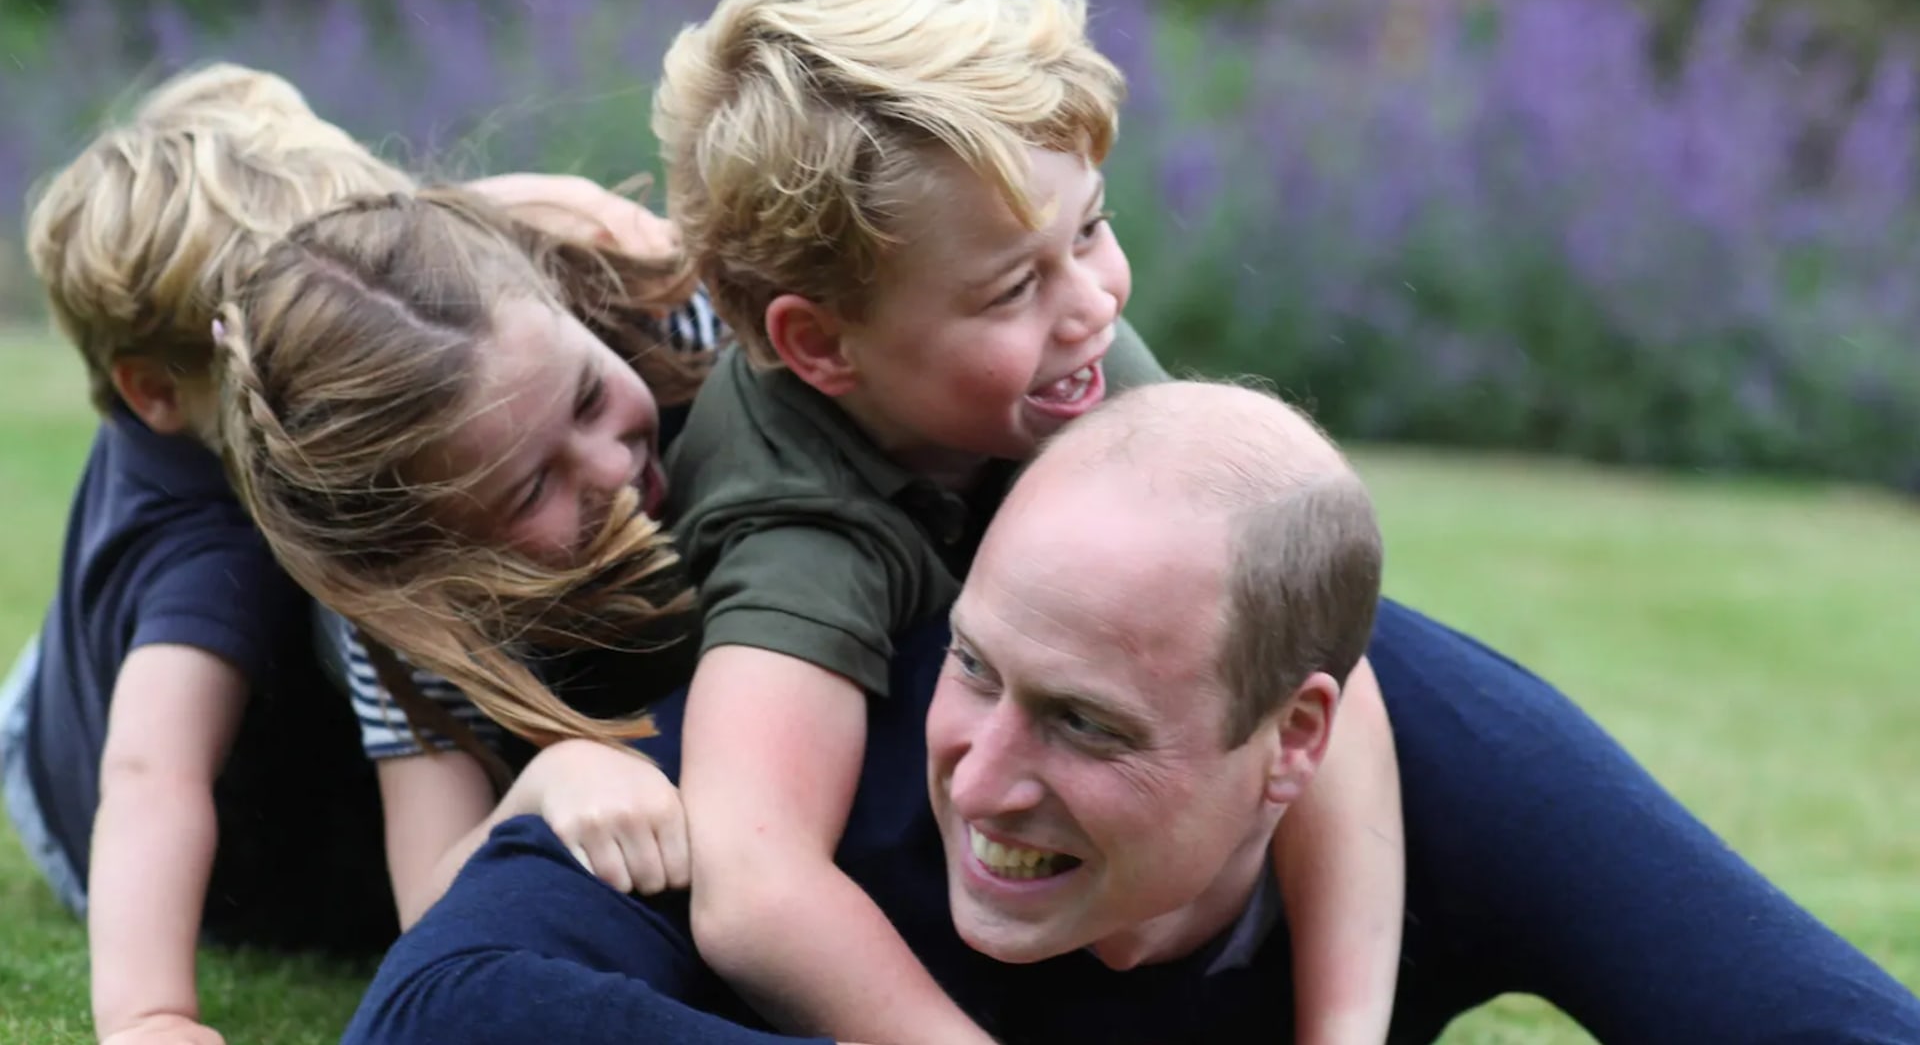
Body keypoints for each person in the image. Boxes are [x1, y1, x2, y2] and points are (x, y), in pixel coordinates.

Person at [339, 382, 1920, 1044]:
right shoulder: (832, 730)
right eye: (980, 668)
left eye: (1090, 728)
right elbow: (437, 1010)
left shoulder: (1454, 758)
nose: (988, 778)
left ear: (1295, 740)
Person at [651, 0, 1403, 1039]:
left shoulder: (1058, 346)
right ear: (819, 344)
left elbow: (1329, 673)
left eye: (1091, 229)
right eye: (1014, 288)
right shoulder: (798, 523)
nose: (1092, 302)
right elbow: (754, 885)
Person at [0, 60, 704, 1045]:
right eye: (298, 340)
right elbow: (151, 775)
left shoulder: (388, 327)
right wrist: (149, 1014)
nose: (351, 334)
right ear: (166, 387)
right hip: (71, 780)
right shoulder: (211, 553)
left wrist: (536, 211)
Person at [216, 185, 720, 927]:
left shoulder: (688, 326)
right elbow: (426, 902)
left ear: (561, 299)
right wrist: (548, 781)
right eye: (531, 489)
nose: (612, 468)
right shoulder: (414, 617)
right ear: (425, 556)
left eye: (586, 396)